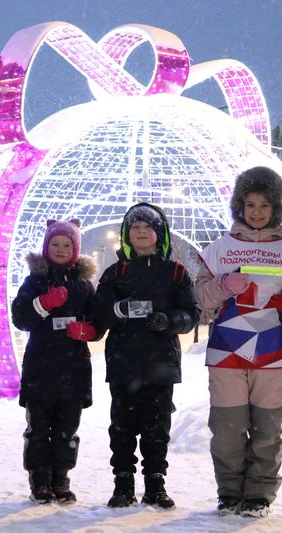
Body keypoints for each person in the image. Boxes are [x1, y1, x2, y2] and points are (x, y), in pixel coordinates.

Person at [194, 167, 282, 518]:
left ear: (275, 208)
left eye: (264, 204)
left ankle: (258, 493)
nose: (256, 212)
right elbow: (200, 301)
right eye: (250, 204)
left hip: (274, 357)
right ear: (238, 207)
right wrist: (222, 287)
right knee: (227, 431)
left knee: (267, 429)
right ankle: (230, 491)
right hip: (225, 356)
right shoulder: (217, 251)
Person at [91, 202, 200, 509]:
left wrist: (169, 320)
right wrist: (117, 310)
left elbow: (192, 313)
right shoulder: (115, 272)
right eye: (135, 227)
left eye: (147, 227)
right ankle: (123, 483)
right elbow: (99, 313)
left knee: (156, 428)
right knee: (122, 426)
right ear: (127, 234)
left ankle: (155, 483)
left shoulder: (176, 272)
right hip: (123, 362)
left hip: (160, 364)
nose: (141, 232)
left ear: (159, 233)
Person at [10, 218, 97, 504]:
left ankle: (61, 479)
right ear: (47, 247)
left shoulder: (84, 285)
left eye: (67, 244)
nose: (60, 249)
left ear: (76, 249)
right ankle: (40, 480)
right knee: (38, 430)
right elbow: (21, 318)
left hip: (74, 370)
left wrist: (89, 330)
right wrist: (43, 304)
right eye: (55, 244)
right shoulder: (34, 281)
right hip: (40, 369)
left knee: (67, 430)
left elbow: (98, 319)